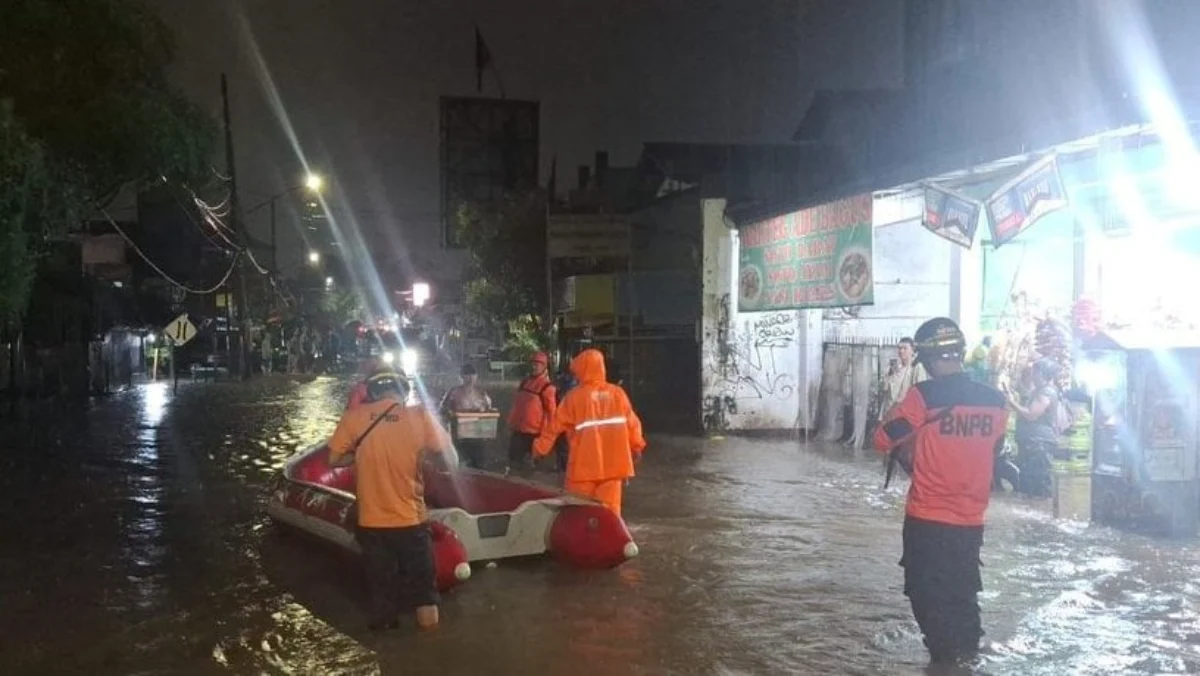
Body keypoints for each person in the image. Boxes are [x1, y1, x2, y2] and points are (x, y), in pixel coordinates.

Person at [872, 317, 1008, 666]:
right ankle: (967, 659)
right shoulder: (995, 402)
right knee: (963, 593)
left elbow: (883, 438)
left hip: (927, 517)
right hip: (971, 520)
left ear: (929, 360)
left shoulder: (924, 396)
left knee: (924, 592)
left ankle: (943, 662)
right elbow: (994, 449)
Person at [327, 371, 455, 632]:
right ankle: (430, 652)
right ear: (404, 390)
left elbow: (334, 460)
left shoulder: (354, 417)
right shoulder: (419, 416)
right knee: (424, 596)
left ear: (371, 392)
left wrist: (361, 455)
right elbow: (450, 462)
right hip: (411, 520)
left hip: (371, 522)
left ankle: (386, 647)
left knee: (381, 595)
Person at [532, 348, 645, 517]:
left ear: (581, 371)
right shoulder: (618, 394)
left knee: (578, 516)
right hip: (613, 470)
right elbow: (633, 424)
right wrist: (637, 447)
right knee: (609, 518)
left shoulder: (573, 398)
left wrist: (539, 449)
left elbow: (553, 427)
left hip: (582, 470)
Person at [1005, 358, 1060, 499]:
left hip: (1039, 444)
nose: (1032, 375)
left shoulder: (1046, 392)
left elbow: (1031, 415)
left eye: (1034, 372)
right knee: (1026, 484)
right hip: (1031, 443)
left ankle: (1041, 514)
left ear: (1042, 373)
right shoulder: (1038, 391)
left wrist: (1012, 402)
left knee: (1038, 485)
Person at [505, 352, 557, 473]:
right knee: (513, 464)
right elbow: (516, 406)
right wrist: (509, 424)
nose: (534, 366)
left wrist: (546, 437)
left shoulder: (548, 387)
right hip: (518, 431)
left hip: (535, 435)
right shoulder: (524, 383)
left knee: (533, 470)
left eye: (537, 364)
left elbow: (551, 414)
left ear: (544, 367)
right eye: (533, 363)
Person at [439, 364, 493, 469]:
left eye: (473, 376)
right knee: (461, 465)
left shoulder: (482, 393)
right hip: (459, 436)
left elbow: (489, 410)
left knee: (479, 466)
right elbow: (442, 409)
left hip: (478, 436)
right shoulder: (453, 392)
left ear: (476, 377)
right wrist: (450, 414)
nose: (470, 379)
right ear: (462, 377)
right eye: (467, 376)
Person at [881, 337, 926, 415]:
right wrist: (889, 375)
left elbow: (919, 394)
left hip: (905, 414)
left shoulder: (916, 367)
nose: (901, 351)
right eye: (899, 348)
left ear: (912, 350)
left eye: (905, 348)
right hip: (889, 413)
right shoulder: (895, 368)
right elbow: (885, 391)